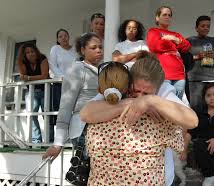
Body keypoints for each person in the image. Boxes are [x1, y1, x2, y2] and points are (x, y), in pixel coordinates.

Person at [80, 52, 198, 185]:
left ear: (158, 88)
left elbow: (192, 120)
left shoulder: (163, 91)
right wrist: (128, 103)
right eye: (136, 90)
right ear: (129, 81)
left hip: (154, 176)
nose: (140, 96)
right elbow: (86, 114)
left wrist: (151, 100)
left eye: (146, 92)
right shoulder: (120, 84)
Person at [43, 32, 103, 161]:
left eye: (100, 47)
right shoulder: (76, 70)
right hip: (83, 131)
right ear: (82, 50)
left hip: (102, 131)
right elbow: (65, 106)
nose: (98, 50)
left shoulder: (103, 71)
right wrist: (58, 143)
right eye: (93, 48)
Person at [146, 6, 191, 100]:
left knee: (177, 104)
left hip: (179, 74)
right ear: (157, 18)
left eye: (169, 15)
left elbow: (187, 47)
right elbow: (155, 46)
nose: (167, 17)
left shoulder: (175, 34)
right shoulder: (153, 31)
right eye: (164, 15)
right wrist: (174, 47)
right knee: (164, 104)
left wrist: (174, 39)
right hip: (163, 74)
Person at [187, 15, 214, 108]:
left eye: (208, 26)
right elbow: (182, 59)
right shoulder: (189, 41)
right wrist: (197, 56)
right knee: (197, 109)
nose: (206, 28)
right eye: (203, 26)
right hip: (196, 80)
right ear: (196, 28)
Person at [48, 28, 77, 142]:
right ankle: (60, 138)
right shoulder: (55, 49)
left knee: (72, 110)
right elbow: (52, 65)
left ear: (68, 37)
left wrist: (72, 78)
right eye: (60, 36)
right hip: (60, 83)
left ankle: (72, 138)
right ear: (57, 39)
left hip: (73, 84)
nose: (63, 38)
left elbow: (77, 64)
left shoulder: (74, 50)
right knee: (60, 110)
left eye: (65, 35)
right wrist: (63, 77)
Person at [17, 43, 49, 143]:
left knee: (47, 115)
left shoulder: (42, 58)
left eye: (32, 51)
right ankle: (36, 141)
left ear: (36, 51)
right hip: (32, 92)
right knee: (31, 115)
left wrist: (29, 78)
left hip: (45, 91)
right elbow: (23, 77)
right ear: (24, 54)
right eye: (27, 52)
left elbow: (44, 76)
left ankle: (50, 140)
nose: (30, 54)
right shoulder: (22, 62)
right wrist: (26, 77)